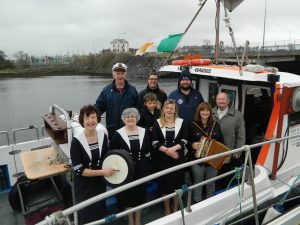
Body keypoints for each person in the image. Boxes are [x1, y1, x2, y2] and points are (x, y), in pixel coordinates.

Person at [70, 105, 118, 225]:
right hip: (84, 185)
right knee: (86, 213)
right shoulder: (76, 141)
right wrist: (102, 172)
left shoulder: (103, 136)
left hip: (99, 183)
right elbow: (78, 170)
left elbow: (106, 157)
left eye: (93, 117)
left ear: (98, 119)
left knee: (100, 209)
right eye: (87, 118)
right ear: (82, 121)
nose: (90, 121)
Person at [111, 108, 151, 225]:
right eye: (127, 117)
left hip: (141, 168)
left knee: (140, 194)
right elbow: (113, 153)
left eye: (132, 116)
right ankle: (130, 220)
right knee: (126, 195)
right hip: (125, 170)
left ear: (137, 118)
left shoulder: (144, 131)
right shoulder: (118, 134)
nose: (130, 118)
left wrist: (147, 167)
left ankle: (137, 220)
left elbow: (148, 151)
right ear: (123, 119)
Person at [151, 99, 187, 215]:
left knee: (177, 183)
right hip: (162, 159)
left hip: (177, 158)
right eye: (167, 108)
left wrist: (173, 149)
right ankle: (167, 207)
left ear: (175, 110)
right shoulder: (157, 122)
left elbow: (184, 140)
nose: (169, 110)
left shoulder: (182, 122)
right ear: (163, 109)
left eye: (172, 108)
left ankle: (175, 206)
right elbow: (154, 142)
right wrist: (167, 151)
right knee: (164, 184)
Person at [189, 102, 224, 202]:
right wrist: (192, 145)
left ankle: (210, 201)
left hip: (213, 160)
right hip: (197, 160)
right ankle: (197, 203)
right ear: (199, 112)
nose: (205, 112)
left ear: (210, 112)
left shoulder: (215, 124)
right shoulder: (192, 125)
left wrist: (216, 144)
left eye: (207, 110)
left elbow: (221, 140)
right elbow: (187, 140)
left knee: (211, 183)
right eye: (202, 110)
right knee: (198, 183)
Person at [96, 63, 138, 139]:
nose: (120, 76)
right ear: (113, 74)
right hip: (112, 131)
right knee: (114, 151)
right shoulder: (106, 91)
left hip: (129, 130)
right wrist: (88, 115)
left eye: (122, 73)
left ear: (126, 74)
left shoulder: (133, 91)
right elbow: (98, 108)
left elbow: (138, 110)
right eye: (117, 73)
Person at [212, 92, 246, 189]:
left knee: (226, 176)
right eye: (219, 99)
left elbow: (241, 134)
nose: (221, 101)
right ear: (216, 101)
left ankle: (224, 192)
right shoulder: (210, 112)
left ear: (228, 101)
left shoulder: (237, 115)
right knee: (213, 175)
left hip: (229, 152)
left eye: (223, 99)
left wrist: (238, 150)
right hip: (213, 151)